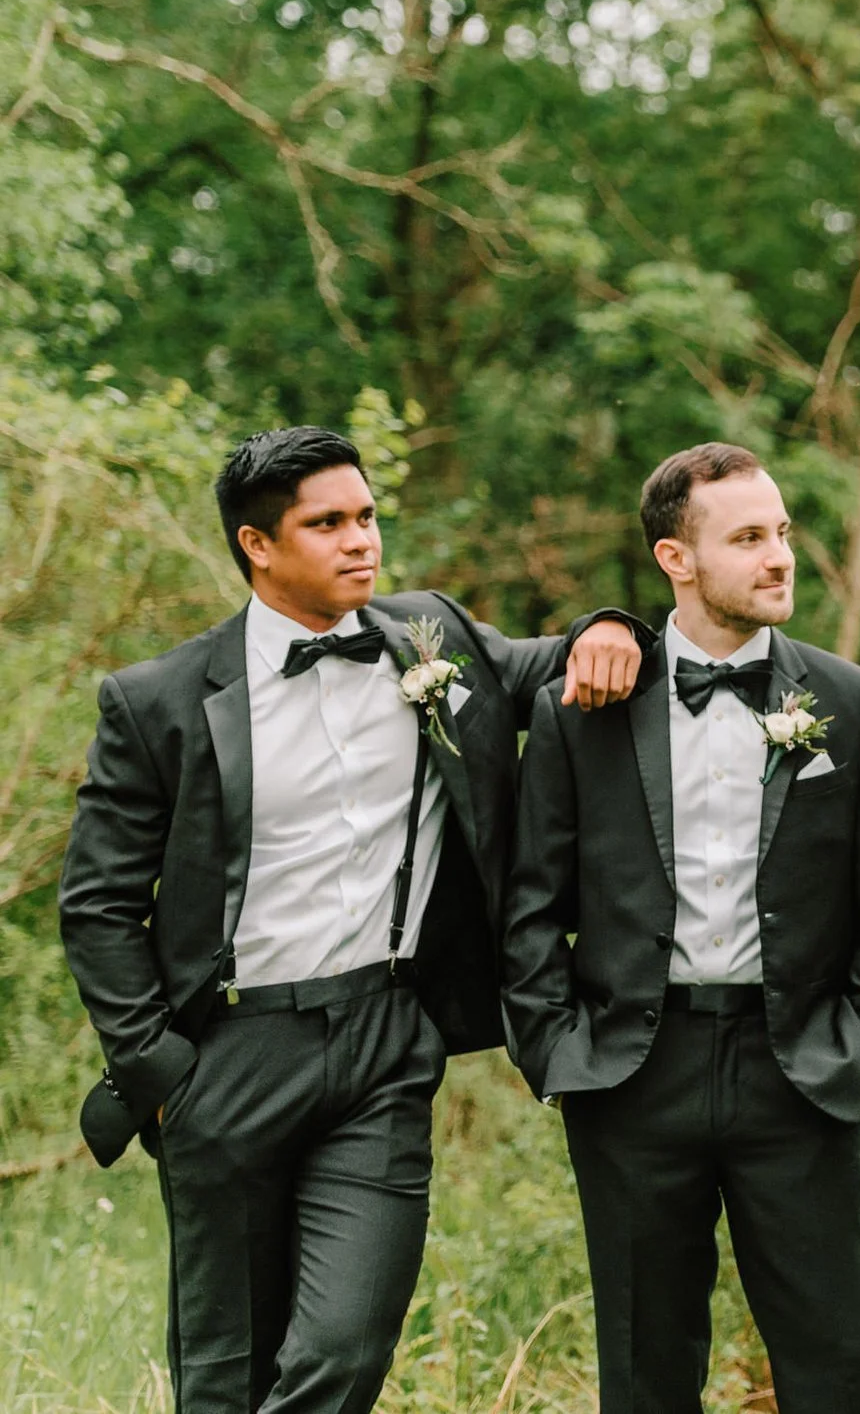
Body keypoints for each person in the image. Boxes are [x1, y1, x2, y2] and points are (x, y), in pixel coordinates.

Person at [57, 425, 648, 1414]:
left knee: (344, 1343)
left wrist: (611, 625)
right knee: (224, 1373)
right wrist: (162, 1074)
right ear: (258, 544)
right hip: (226, 1052)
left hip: (384, 1045)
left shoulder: (434, 639)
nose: (360, 540)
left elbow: (560, 660)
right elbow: (99, 903)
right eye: (326, 523)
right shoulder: (159, 699)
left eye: (366, 516)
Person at [503, 442, 860, 1413]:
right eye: (747, 537)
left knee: (838, 1364)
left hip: (798, 1069)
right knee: (645, 1372)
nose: (780, 555)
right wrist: (554, 1047)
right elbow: (529, 899)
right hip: (628, 1073)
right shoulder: (582, 710)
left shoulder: (851, 703)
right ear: (675, 559)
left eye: (781, 531)